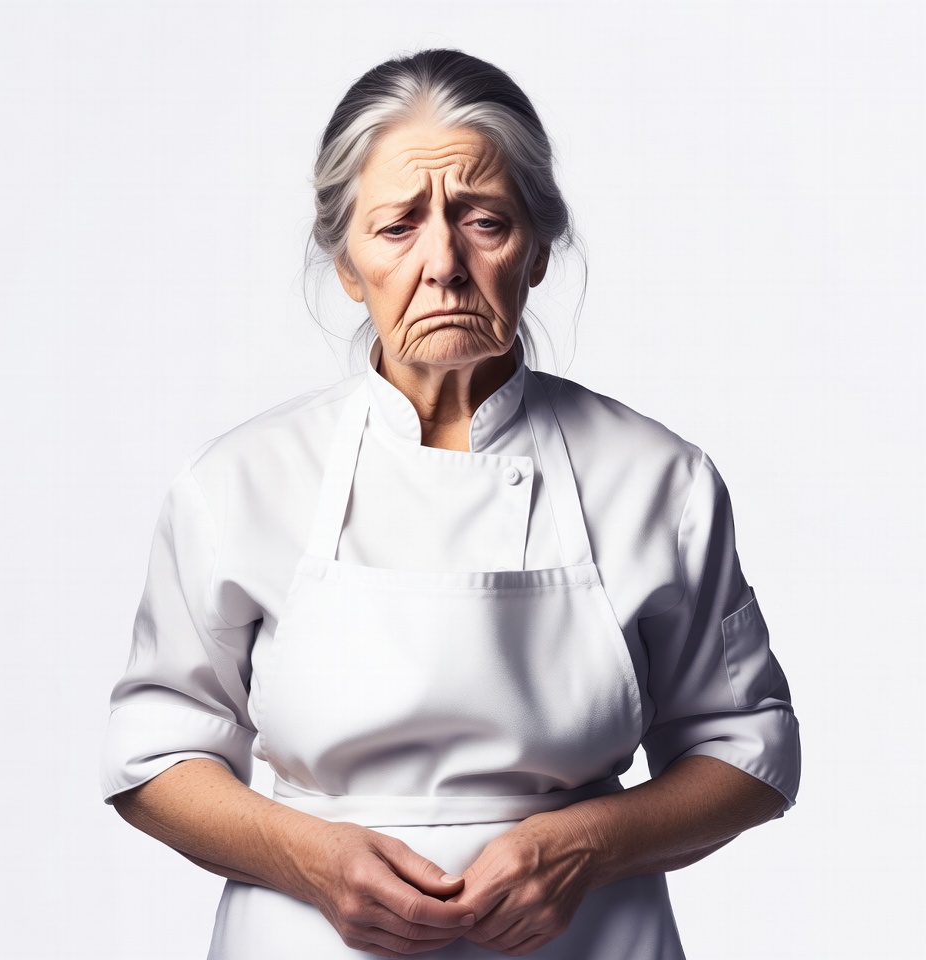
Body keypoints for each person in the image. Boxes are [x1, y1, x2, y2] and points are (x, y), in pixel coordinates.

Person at [102, 49, 800, 960]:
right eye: (397, 227)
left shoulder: (659, 478)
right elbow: (152, 756)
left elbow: (749, 747)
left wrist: (587, 845)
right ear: (346, 264)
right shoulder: (236, 482)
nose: (444, 265)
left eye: (484, 221)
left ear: (540, 248)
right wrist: (308, 857)